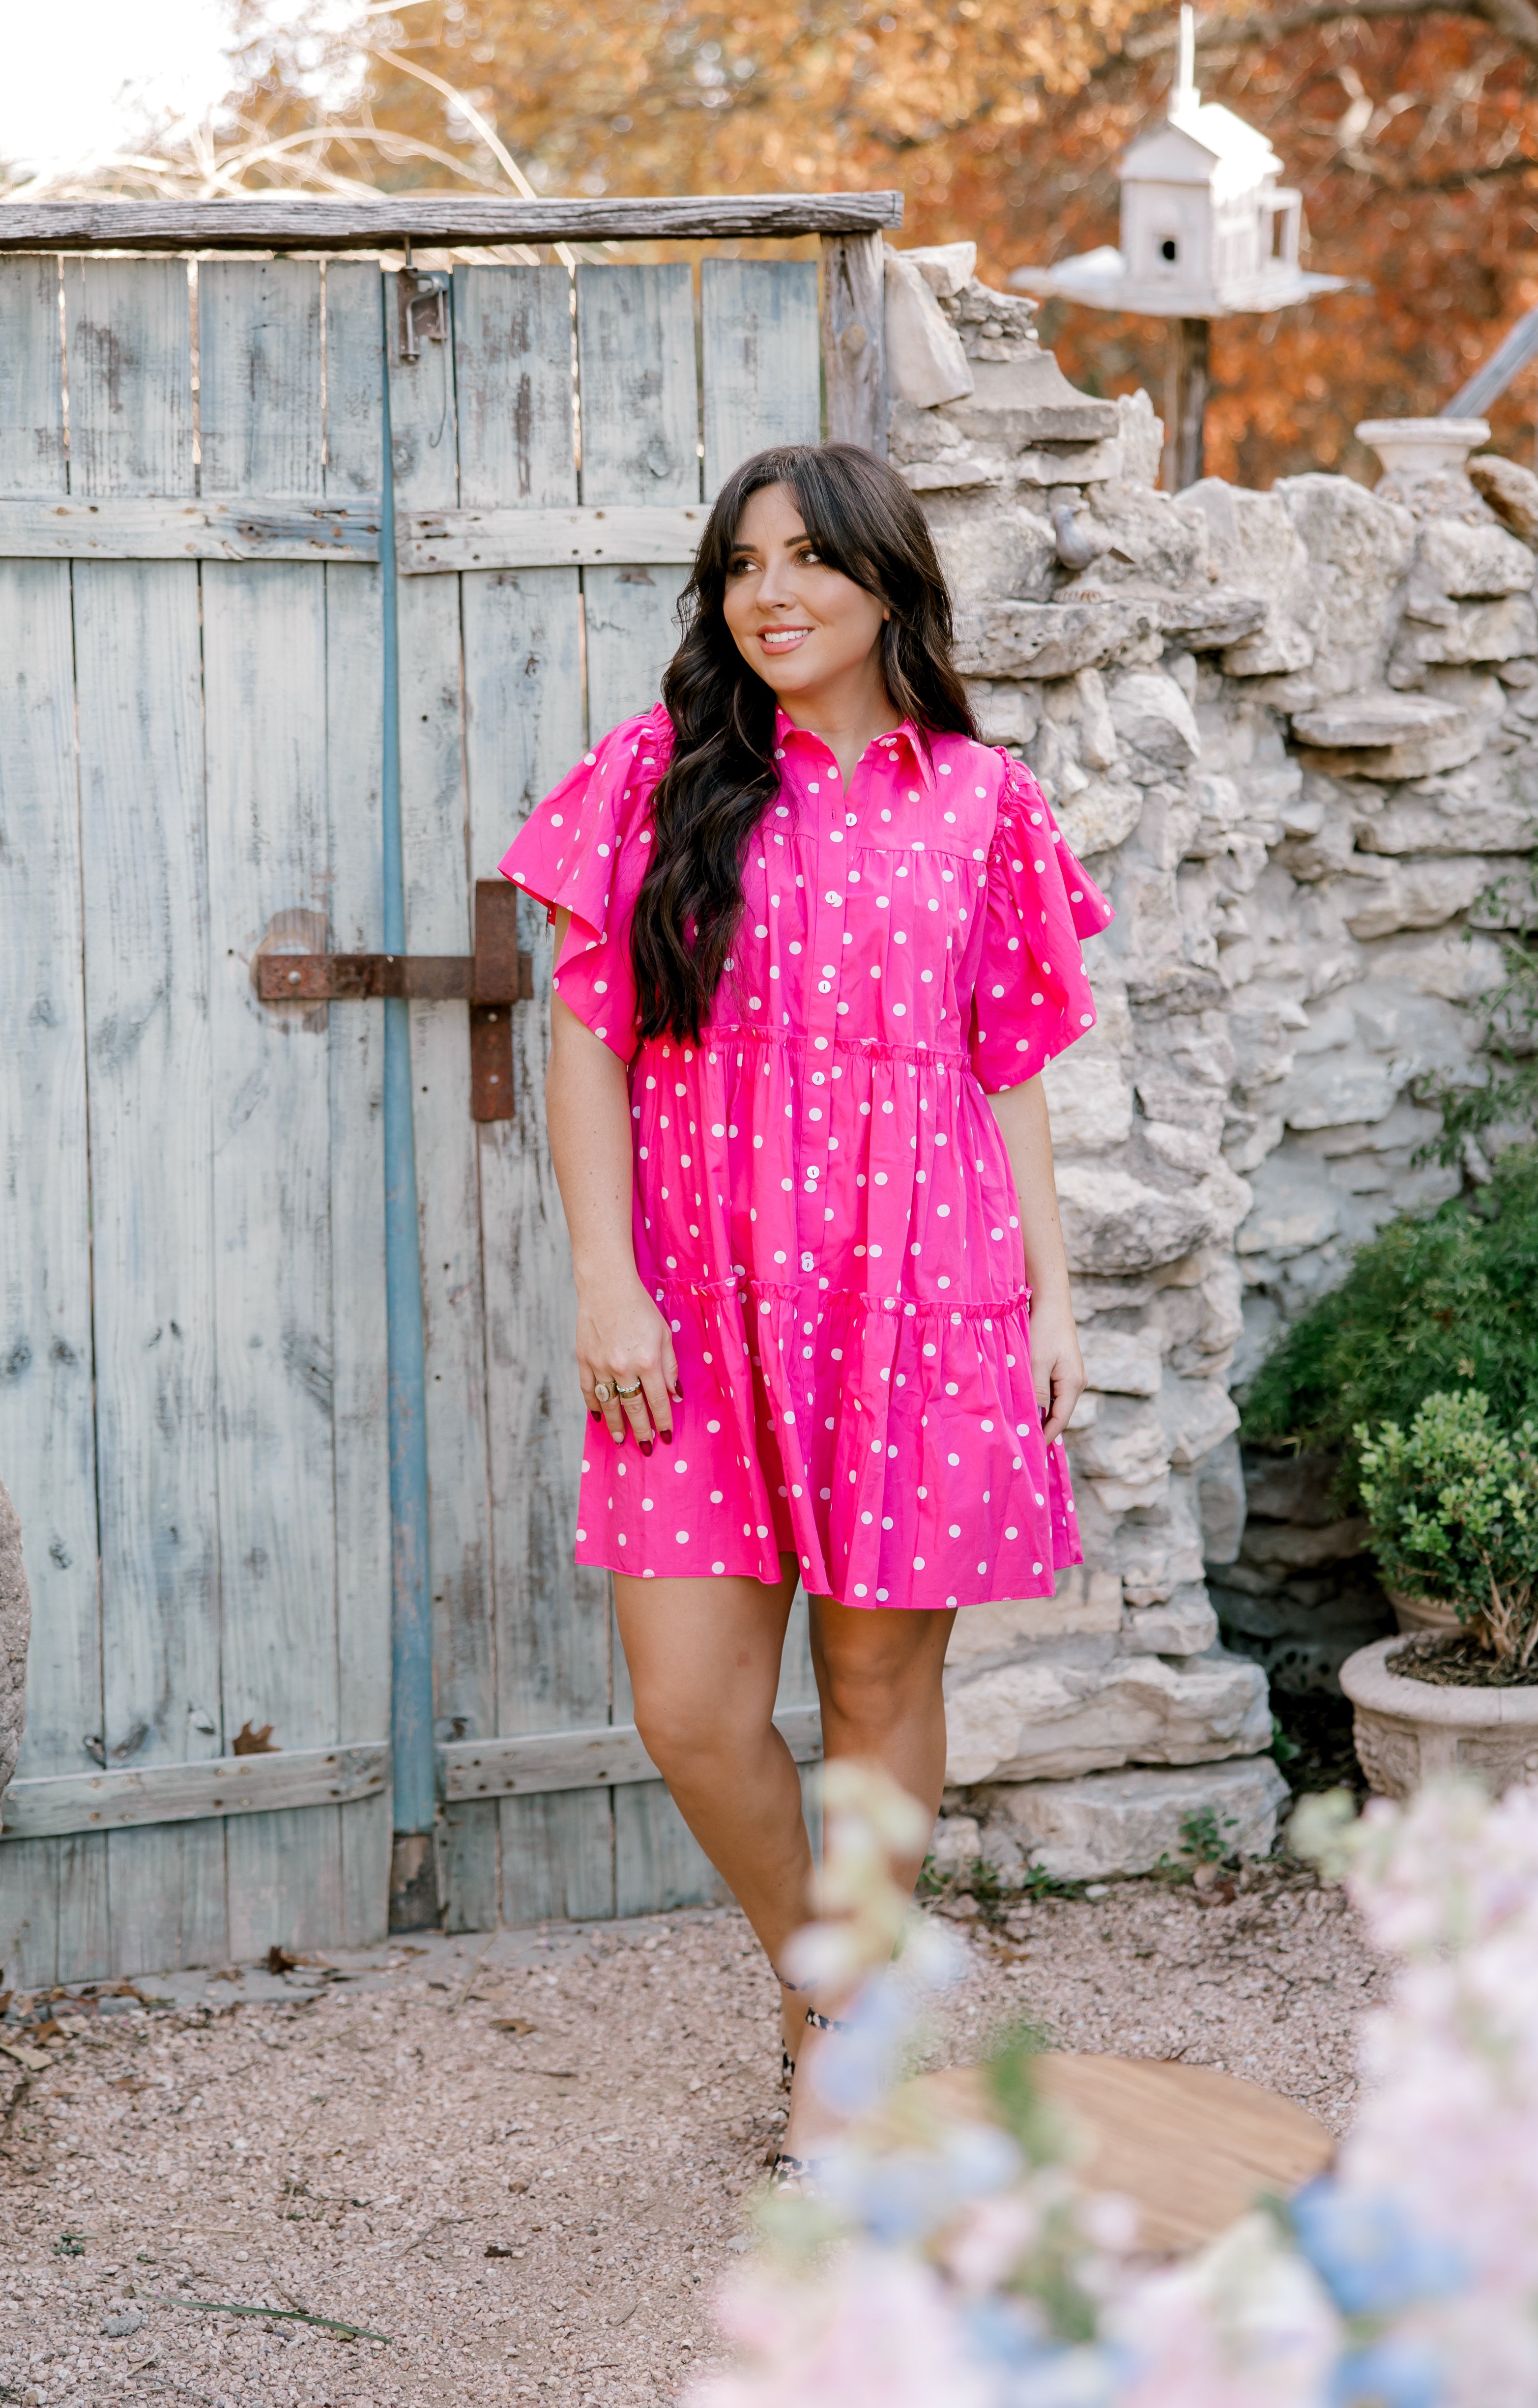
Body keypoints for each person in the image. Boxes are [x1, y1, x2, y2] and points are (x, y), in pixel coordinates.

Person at [499, 441, 1111, 2177]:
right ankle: (856, 1990)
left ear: (885, 585)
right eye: (739, 566)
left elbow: (1006, 1072)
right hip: (692, 1291)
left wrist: (1052, 1293)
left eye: (805, 562)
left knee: (869, 1678)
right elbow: (584, 1035)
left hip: (927, 1289)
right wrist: (604, 1277)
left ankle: (834, 2042)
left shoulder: (982, 800)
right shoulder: (659, 772)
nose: (767, 594)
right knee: (691, 1706)